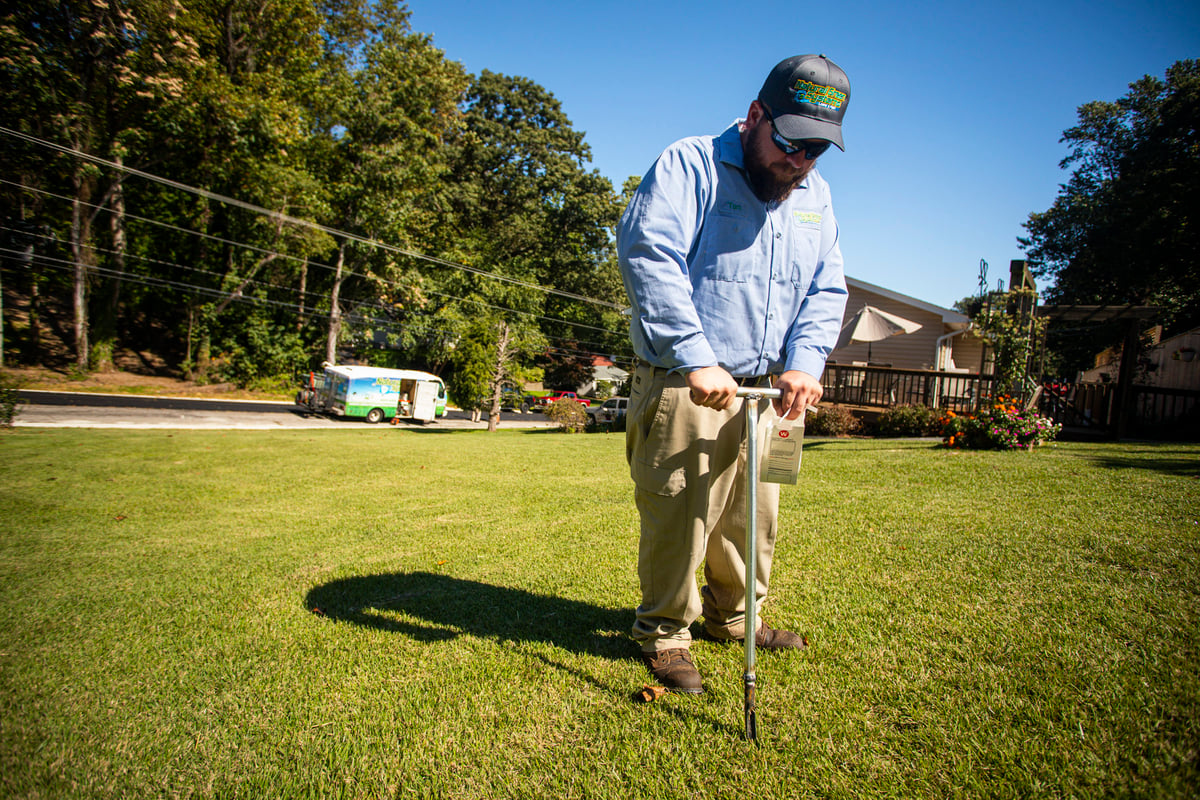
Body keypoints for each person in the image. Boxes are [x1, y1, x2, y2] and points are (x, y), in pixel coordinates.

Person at [616, 54, 851, 693]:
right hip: (685, 383)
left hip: (770, 394)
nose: (799, 163)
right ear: (755, 117)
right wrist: (695, 353)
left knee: (754, 517)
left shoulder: (815, 195)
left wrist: (804, 364)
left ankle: (735, 618)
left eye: (816, 152)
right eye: (791, 144)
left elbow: (826, 288)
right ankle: (665, 631)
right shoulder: (689, 165)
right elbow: (648, 255)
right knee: (683, 514)